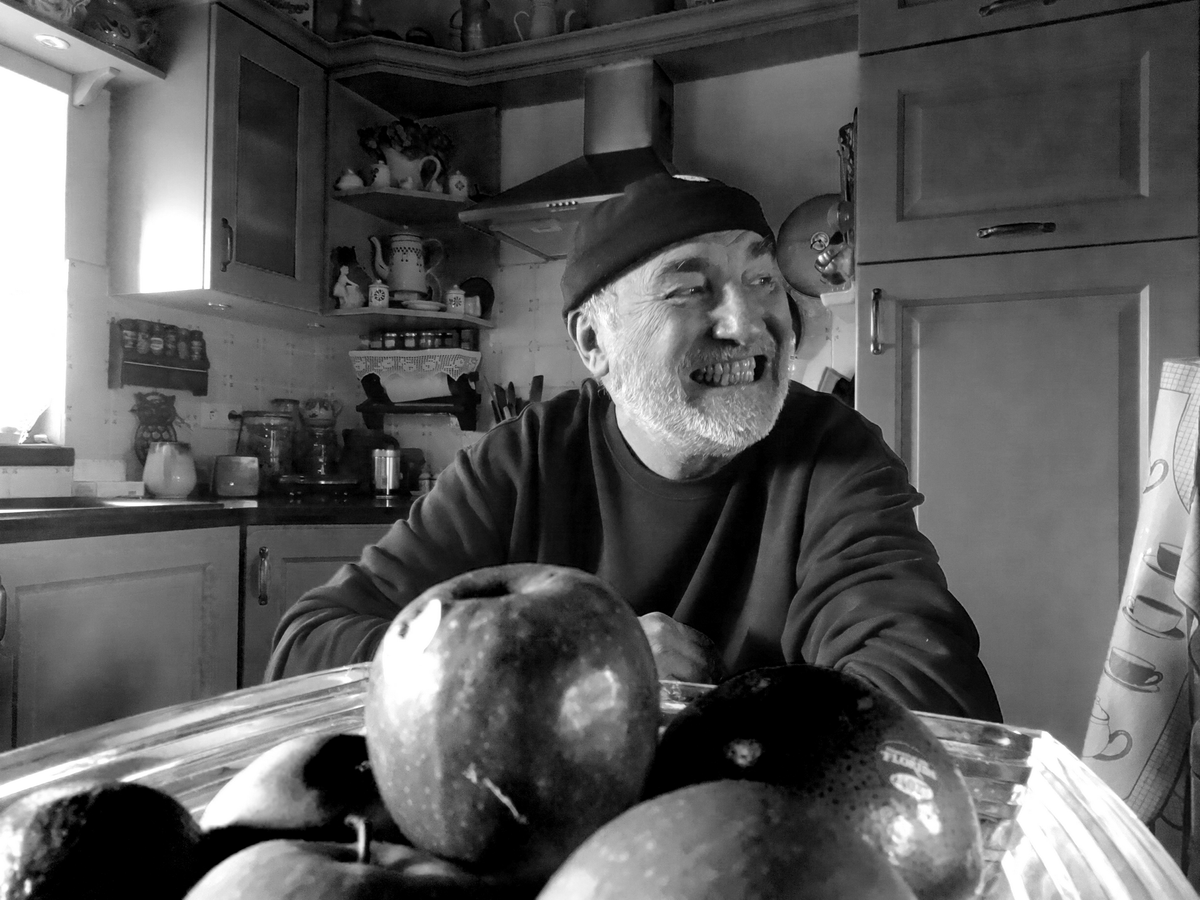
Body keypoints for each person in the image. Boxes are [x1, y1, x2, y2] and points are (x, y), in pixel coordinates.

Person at [267, 173, 1002, 722]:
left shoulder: (832, 453)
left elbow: (929, 691)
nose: (746, 321)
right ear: (594, 342)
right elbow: (308, 648)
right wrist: (567, 661)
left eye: (761, 279)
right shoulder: (524, 460)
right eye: (689, 290)